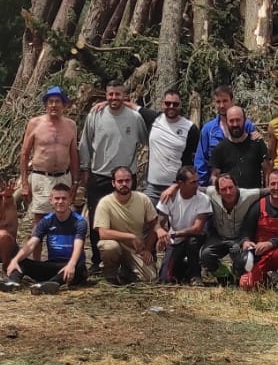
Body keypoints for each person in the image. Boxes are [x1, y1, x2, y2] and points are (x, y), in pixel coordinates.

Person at [79, 83, 147, 268]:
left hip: (126, 177)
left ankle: (125, 259)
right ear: (105, 95)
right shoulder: (96, 114)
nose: (113, 98)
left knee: (125, 219)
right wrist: (85, 169)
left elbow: (148, 140)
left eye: (118, 94)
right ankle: (97, 260)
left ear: (125, 96)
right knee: (96, 220)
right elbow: (85, 143)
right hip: (100, 174)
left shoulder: (134, 118)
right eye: (110, 94)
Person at [0, 185, 88, 293]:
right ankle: (12, 283)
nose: (60, 201)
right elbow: (32, 243)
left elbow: (78, 246)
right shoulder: (47, 221)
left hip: (72, 266)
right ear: (51, 200)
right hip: (53, 265)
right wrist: (15, 260)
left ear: (70, 200)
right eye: (57, 198)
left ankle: (48, 285)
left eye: (64, 198)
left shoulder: (79, 222)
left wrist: (71, 265)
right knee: (21, 261)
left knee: (79, 267)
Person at [19, 88, 80, 222]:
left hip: (64, 177)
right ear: (46, 105)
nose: (53, 105)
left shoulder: (71, 125)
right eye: (50, 101)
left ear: (64, 105)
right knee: (40, 218)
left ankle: (58, 243)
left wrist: (75, 182)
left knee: (63, 217)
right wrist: (24, 183)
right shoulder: (35, 123)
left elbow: (74, 155)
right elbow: (24, 154)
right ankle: (37, 242)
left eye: (57, 101)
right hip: (42, 177)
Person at [238, 169, 278, 291]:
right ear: (267, 186)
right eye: (273, 184)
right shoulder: (258, 205)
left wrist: (270, 244)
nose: (276, 187)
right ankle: (266, 281)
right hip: (261, 253)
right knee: (247, 285)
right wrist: (246, 241)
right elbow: (245, 231)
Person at [92, 166, 159, 285]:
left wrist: (148, 249)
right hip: (114, 244)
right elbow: (103, 233)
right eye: (120, 181)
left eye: (127, 181)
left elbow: (154, 224)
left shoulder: (142, 199)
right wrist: (130, 236)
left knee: (150, 278)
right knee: (109, 247)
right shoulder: (105, 203)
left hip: (135, 249)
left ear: (132, 182)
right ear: (113, 183)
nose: (124, 184)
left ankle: (126, 272)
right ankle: (110, 274)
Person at [156, 165, 212, 284]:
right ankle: (184, 268)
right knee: (165, 279)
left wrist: (174, 234)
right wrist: (160, 232)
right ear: (181, 183)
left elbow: (198, 228)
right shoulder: (169, 197)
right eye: (193, 182)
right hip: (175, 241)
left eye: (197, 181)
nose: (197, 185)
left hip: (195, 238)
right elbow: (158, 223)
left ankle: (195, 275)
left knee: (192, 241)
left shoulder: (203, 199)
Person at [200, 174, 261, 282]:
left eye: (231, 187)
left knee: (242, 256)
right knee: (205, 255)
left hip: (240, 239)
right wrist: (174, 188)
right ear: (217, 191)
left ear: (236, 186)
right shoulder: (211, 193)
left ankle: (239, 274)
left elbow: (273, 191)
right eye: (223, 189)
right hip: (220, 237)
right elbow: (191, 187)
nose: (228, 192)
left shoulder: (249, 195)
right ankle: (225, 275)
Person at [142, 88, 199, 205]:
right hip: (152, 187)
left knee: (175, 223)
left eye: (175, 104)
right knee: (148, 221)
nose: (171, 106)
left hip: (177, 187)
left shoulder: (190, 128)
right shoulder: (154, 119)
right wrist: (106, 101)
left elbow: (192, 161)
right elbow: (131, 106)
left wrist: (179, 184)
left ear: (181, 105)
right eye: (168, 103)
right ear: (162, 104)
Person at [195, 84, 256, 187]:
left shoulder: (247, 126)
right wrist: (202, 186)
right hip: (218, 186)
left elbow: (256, 153)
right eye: (218, 102)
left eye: (225, 101)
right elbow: (201, 160)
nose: (222, 105)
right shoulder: (208, 130)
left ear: (232, 101)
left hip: (244, 187)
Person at [210, 106, 271, 190]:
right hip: (229, 198)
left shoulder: (257, 143)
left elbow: (267, 170)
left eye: (238, 120)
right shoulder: (220, 148)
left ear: (245, 120)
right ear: (226, 122)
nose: (235, 124)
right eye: (231, 121)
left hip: (254, 197)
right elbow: (214, 176)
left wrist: (267, 192)